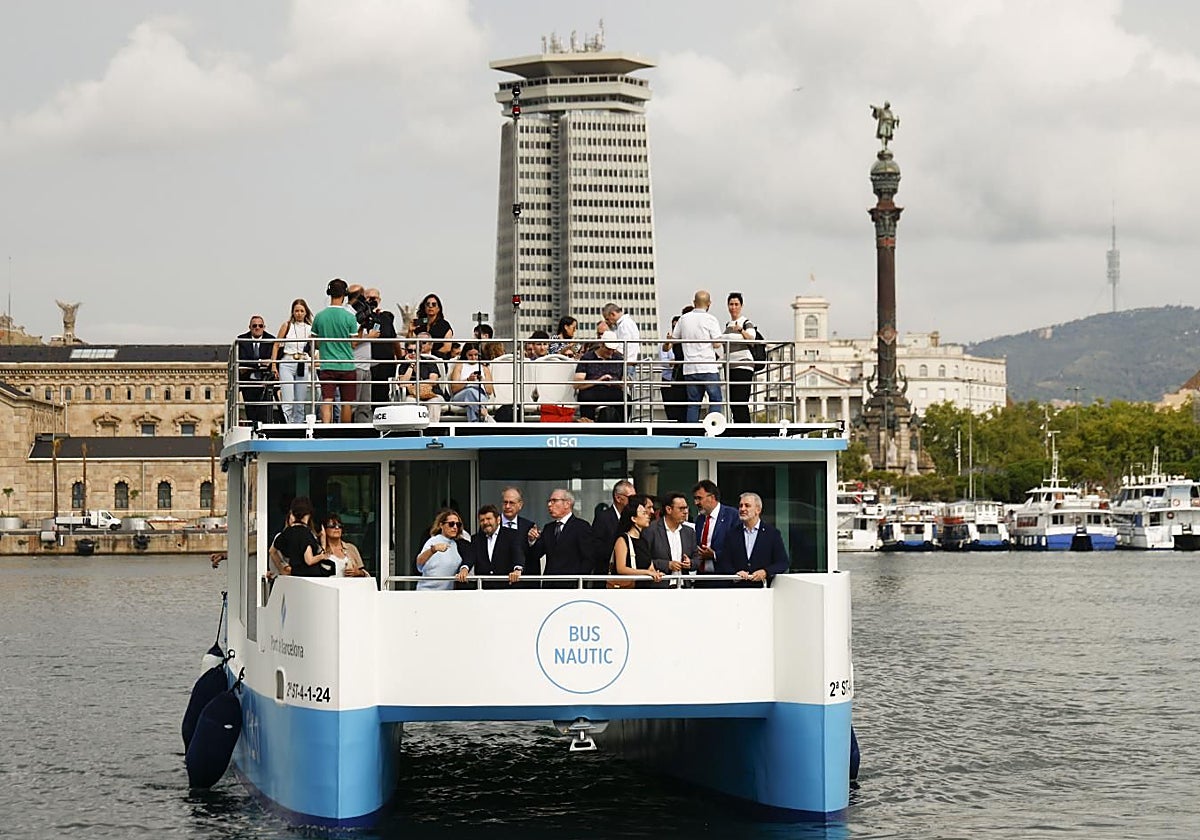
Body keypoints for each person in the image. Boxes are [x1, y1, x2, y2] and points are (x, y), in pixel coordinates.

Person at [713, 492, 790, 584]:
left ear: (758, 510)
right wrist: (735, 574)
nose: (742, 509)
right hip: (738, 589)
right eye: (740, 506)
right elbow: (724, 562)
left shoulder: (772, 534)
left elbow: (783, 563)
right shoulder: (732, 534)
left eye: (747, 506)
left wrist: (765, 572)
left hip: (763, 589)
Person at [525, 488, 597, 586]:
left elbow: (589, 558)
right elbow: (536, 554)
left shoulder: (581, 527)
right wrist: (532, 541)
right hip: (550, 586)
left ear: (567, 504)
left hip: (572, 586)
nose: (549, 505)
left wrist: (579, 582)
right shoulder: (548, 528)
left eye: (554, 501)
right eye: (549, 501)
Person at [312, 278, 358, 424]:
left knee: (327, 399)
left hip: (327, 364)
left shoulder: (319, 316)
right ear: (344, 295)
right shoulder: (350, 317)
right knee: (346, 402)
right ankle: (345, 432)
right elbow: (353, 344)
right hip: (347, 365)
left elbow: (314, 342)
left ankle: (326, 428)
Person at [674, 291, 724, 423]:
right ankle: (713, 428)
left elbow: (674, 339)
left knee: (693, 403)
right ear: (709, 304)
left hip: (690, 367)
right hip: (708, 366)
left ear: (694, 303)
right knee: (716, 399)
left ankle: (691, 432)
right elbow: (717, 343)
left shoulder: (683, 319)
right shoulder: (711, 319)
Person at [459, 504, 524, 588]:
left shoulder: (512, 535)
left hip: (507, 588)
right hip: (484, 589)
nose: (485, 522)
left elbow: (518, 553)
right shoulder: (476, 539)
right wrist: (465, 568)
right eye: (482, 520)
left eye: (489, 519)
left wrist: (517, 570)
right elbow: (470, 557)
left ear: (498, 520)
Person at [271, 299, 314, 424]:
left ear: (306, 312)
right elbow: (276, 344)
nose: (299, 313)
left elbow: (313, 349)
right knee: (288, 399)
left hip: (302, 362)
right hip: (287, 362)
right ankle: (286, 424)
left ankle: (298, 425)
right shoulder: (287, 325)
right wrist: (274, 365)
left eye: (301, 311)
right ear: (293, 312)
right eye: (296, 311)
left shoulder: (310, 329)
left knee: (300, 401)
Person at [360, 287, 400, 421]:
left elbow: (394, 340)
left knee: (382, 395)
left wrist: (400, 358)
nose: (372, 301)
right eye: (369, 298)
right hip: (368, 363)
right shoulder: (360, 317)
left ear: (379, 300)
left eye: (374, 298)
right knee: (366, 397)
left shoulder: (386, 317)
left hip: (385, 362)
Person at [271, 496, 334, 577]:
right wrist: (322, 555)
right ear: (308, 515)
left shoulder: (287, 532)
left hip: (294, 575)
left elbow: (272, 551)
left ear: (292, 514)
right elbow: (309, 560)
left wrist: (282, 569)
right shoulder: (306, 533)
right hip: (310, 577)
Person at [611, 494, 663, 587]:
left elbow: (650, 566)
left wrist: (655, 573)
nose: (648, 516)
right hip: (628, 591)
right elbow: (621, 568)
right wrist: (646, 573)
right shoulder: (622, 540)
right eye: (643, 513)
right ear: (633, 518)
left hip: (644, 590)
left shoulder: (644, 540)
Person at [724, 292, 759, 424]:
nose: (733, 307)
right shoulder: (728, 325)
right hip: (730, 367)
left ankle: (745, 429)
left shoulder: (746, 322)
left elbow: (752, 338)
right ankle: (738, 427)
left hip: (743, 365)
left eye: (736, 304)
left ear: (741, 306)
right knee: (733, 401)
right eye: (731, 304)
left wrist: (740, 330)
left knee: (740, 400)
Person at [645, 492, 699, 580]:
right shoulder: (651, 530)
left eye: (686, 508)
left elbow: (697, 558)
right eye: (681, 509)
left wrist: (691, 563)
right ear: (669, 509)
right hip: (660, 585)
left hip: (683, 586)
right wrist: (667, 565)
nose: (685, 512)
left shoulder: (689, 532)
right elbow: (644, 560)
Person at [236, 315, 277, 426]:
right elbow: (242, 360)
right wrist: (259, 362)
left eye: (260, 326)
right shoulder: (242, 340)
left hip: (265, 381)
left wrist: (264, 363)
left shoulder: (271, 340)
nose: (257, 328)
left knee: (264, 411)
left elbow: (273, 359)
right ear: (250, 327)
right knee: (250, 410)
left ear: (264, 327)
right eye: (254, 326)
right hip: (248, 381)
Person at [395, 334, 446, 421]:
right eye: (410, 351)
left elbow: (433, 380)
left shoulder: (429, 362)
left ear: (420, 351)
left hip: (432, 394)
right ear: (406, 352)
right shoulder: (403, 365)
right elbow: (402, 383)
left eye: (416, 351)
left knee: (435, 402)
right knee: (409, 402)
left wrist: (413, 384)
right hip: (412, 396)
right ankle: (414, 430)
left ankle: (432, 431)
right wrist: (411, 365)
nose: (413, 353)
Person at [692, 480, 739, 574]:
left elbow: (737, 547)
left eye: (699, 498)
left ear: (712, 497)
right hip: (702, 578)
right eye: (695, 498)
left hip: (724, 577)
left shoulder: (732, 515)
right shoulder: (699, 519)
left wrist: (714, 555)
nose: (696, 502)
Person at [573, 340, 626, 422]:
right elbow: (577, 384)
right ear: (601, 345)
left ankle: (621, 427)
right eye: (608, 349)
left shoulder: (619, 359)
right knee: (586, 397)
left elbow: (624, 381)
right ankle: (588, 426)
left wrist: (617, 383)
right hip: (591, 390)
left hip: (613, 390)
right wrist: (599, 380)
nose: (611, 352)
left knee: (626, 399)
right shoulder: (587, 357)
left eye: (613, 349)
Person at [415, 509, 468, 590]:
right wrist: (433, 549)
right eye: (451, 524)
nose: (455, 527)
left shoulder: (457, 544)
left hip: (446, 594)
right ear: (441, 525)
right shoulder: (433, 541)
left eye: (458, 524)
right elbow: (419, 564)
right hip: (427, 592)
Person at [591, 480, 636, 575]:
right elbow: (597, 547)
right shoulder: (603, 518)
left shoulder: (633, 518)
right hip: (607, 573)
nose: (634, 502)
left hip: (630, 573)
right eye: (631, 498)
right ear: (618, 498)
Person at [448, 343, 494, 421]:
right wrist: (468, 380)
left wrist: (482, 380)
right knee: (470, 391)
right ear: (465, 354)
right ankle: (484, 414)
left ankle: (475, 424)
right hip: (462, 395)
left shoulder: (484, 367)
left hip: (480, 394)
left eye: (476, 355)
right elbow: (454, 389)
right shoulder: (459, 366)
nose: (473, 358)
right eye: (470, 355)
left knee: (471, 403)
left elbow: (489, 391)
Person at [660, 309, 690, 422]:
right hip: (677, 374)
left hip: (687, 372)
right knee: (677, 403)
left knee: (688, 401)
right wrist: (668, 341)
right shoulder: (676, 338)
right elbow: (665, 349)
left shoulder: (689, 337)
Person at [408, 293, 454, 359]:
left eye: (434, 304)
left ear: (438, 308)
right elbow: (411, 343)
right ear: (424, 307)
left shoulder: (444, 325)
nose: (430, 306)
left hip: (437, 359)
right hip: (418, 359)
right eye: (428, 304)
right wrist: (410, 331)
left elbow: (447, 348)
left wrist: (430, 355)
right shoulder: (420, 323)